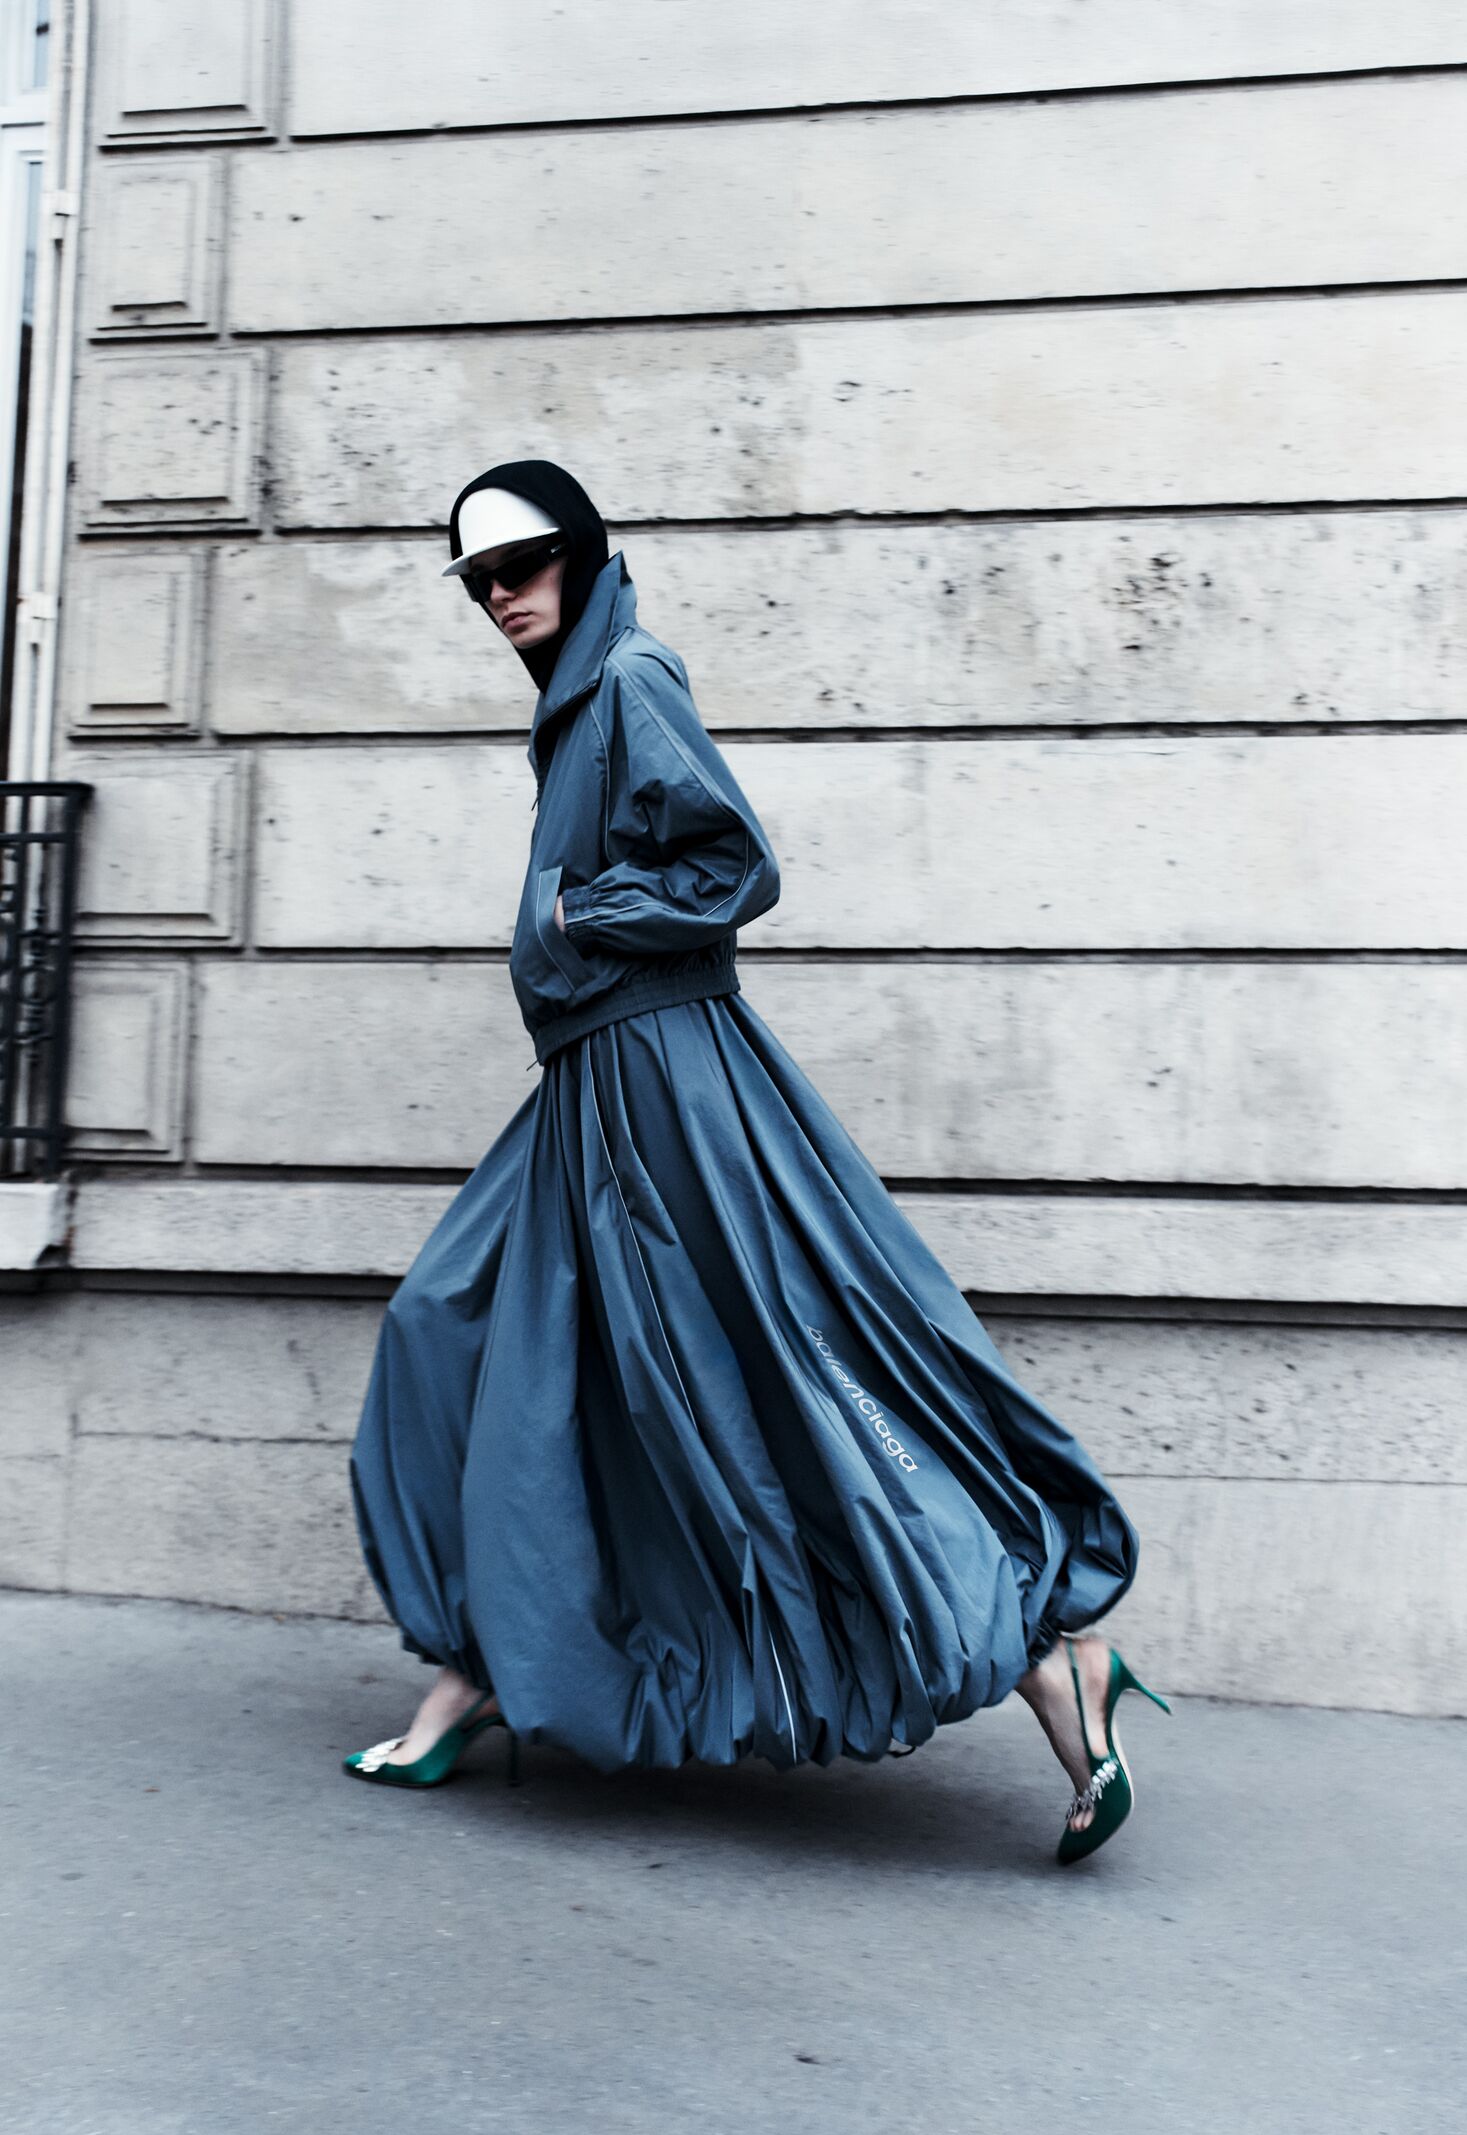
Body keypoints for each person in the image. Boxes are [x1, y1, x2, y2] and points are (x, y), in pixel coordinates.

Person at [343, 459, 1169, 1865]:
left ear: (584, 557)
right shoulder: (578, 700)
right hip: (591, 1094)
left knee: (772, 1388)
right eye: (479, 580)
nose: (499, 596)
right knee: (467, 1339)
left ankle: (1051, 1660)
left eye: (522, 565)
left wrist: (565, 910)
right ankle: (491, 1661)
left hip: (666, 1091)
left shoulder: (630, 683)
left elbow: (733, 867)